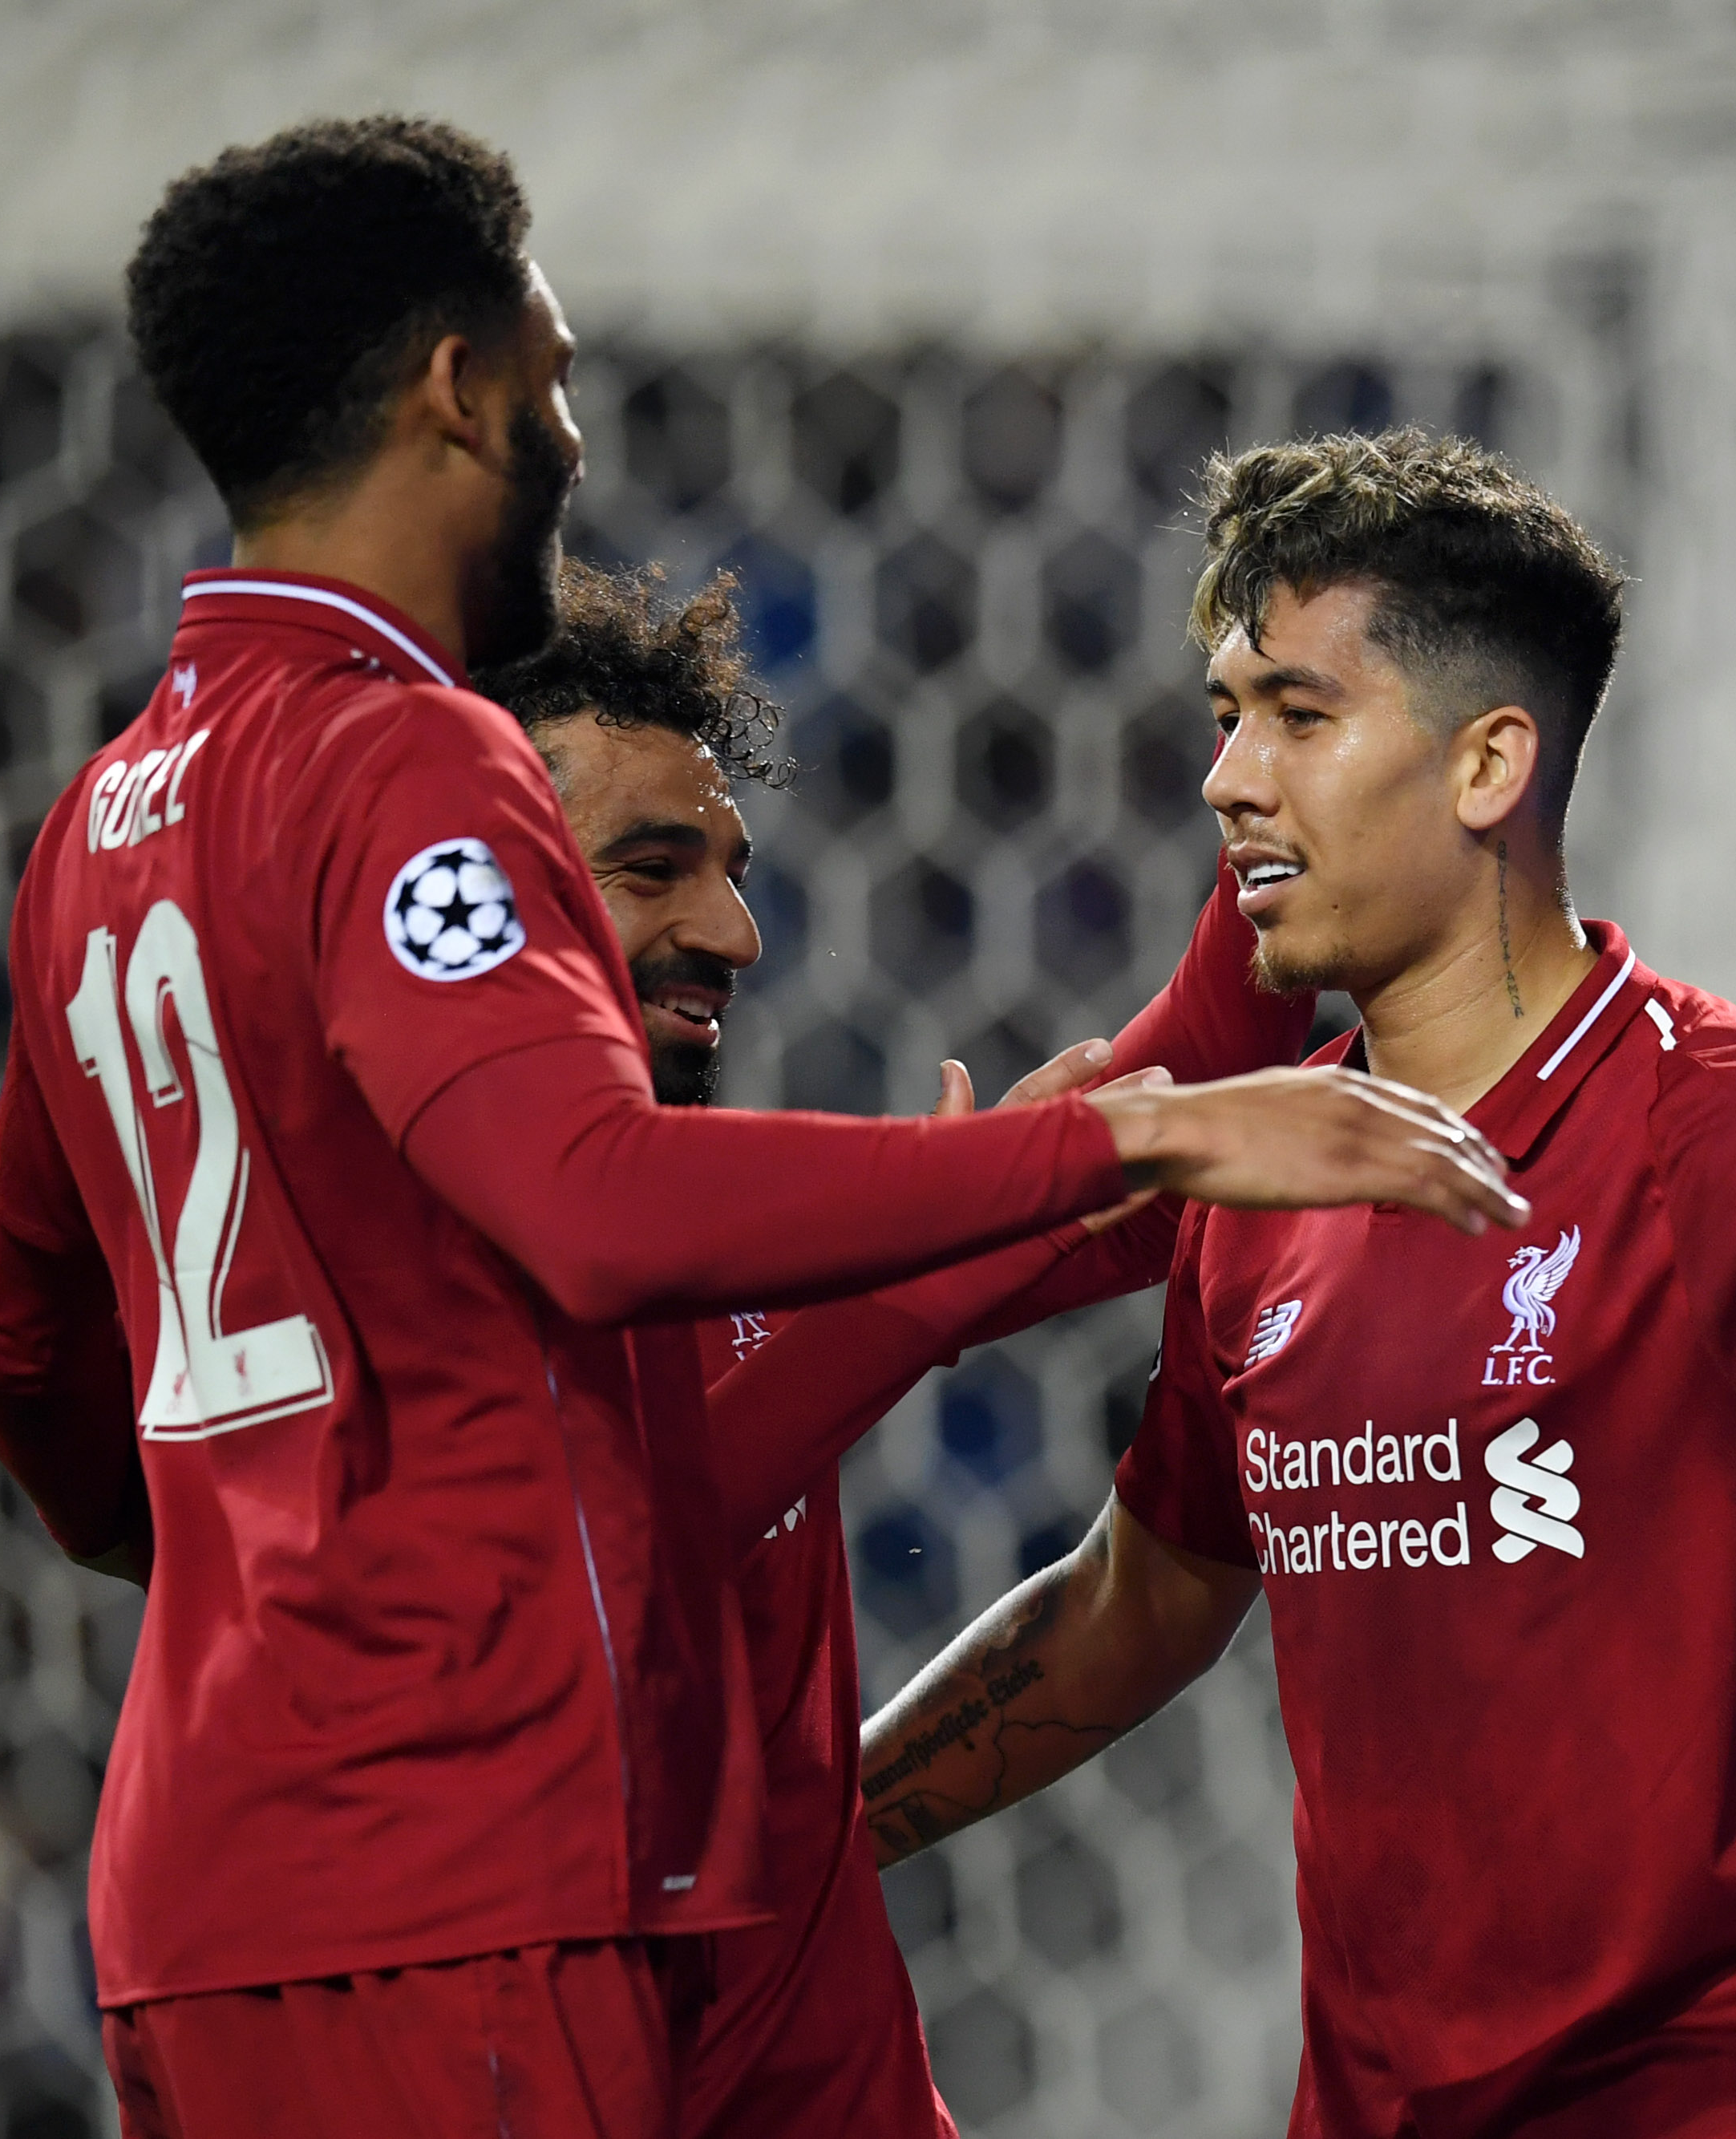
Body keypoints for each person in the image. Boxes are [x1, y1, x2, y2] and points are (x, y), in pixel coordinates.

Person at [0, 122, 1524, 2139]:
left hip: (237, 1899)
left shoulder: (105, 824)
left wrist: (242, 1551)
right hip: (455, 1902)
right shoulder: (402, 761)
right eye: (627, 865)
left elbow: (26, 1355)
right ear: (462, 381)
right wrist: (1125, 1149)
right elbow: (606, 1210)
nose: (731, 925)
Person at [859, 430, 1736, 2138]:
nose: (1229, 775)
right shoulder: (1272, 1168)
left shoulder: (1714, 1116)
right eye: (1226, 718)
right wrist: (821, 1825)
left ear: (1488, 763)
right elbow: (1138, 1602)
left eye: (1297, 715)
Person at [477, 557, 1319, 2137]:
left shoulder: (755, 1222)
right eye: (653, 865)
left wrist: (1280, 749)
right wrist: (949, 1249)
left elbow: (1187, 1098)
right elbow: (626, 1538)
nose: (730, 927)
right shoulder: (411, 1272)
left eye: (730, 866)